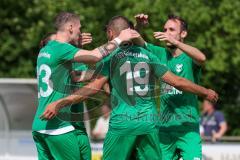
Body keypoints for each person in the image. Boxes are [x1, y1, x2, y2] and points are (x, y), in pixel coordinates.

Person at [41, 15, 218, 160]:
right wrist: (205, 92)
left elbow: (90, 86)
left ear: (111, 33)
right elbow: (178, 82)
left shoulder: (111, 58)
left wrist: (62, 102)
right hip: (148, 125)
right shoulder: (148, 56)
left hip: (122, 124)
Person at [32, 12, 138, 160]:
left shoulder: (45, 51)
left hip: (39, 125)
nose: (80, 32)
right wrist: (120, 39)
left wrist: (104, 69)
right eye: (79, 28)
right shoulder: (60, 47)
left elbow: (76, 76)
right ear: (70, 27)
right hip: (58, 126)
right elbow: (94, 55)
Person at [134, 13, 210, 159]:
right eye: (165, 29)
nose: (166, 33)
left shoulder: (189, 56)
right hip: (164, 128)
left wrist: (176, 43)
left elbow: (202, 58)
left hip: (188, 128)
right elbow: (137, 41)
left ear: (183, 33)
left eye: (171, 30)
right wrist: (139, 26)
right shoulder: (159, 53)